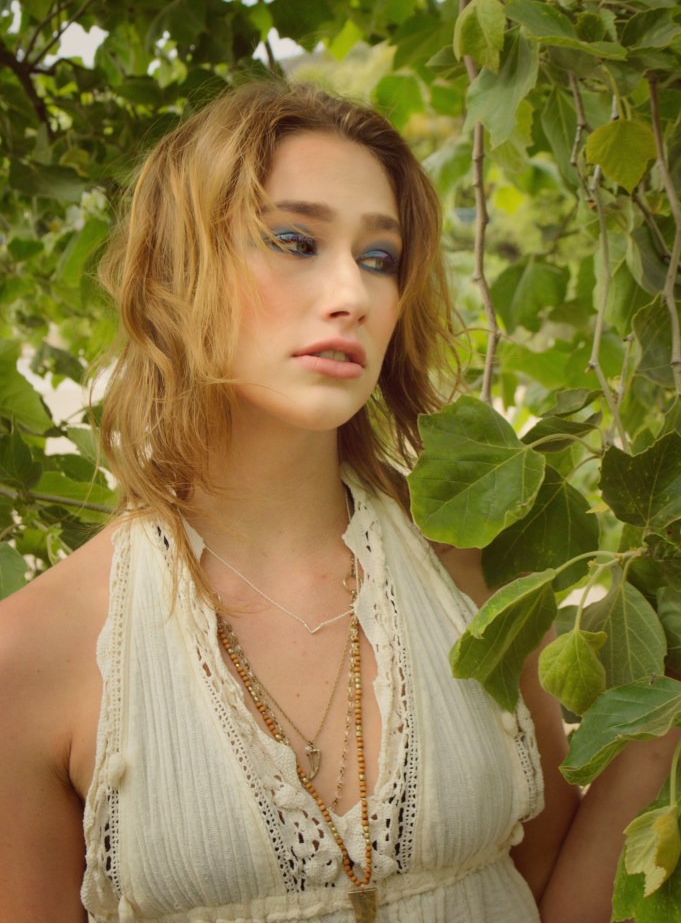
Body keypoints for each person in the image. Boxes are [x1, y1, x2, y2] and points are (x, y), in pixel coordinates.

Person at [0, 81, 676, 923]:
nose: (351, 295)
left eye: (378, 257)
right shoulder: (34, 653)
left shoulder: (471, 572)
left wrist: (663, 711)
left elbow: (552, 901)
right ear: (178, 271)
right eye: (294, 240)